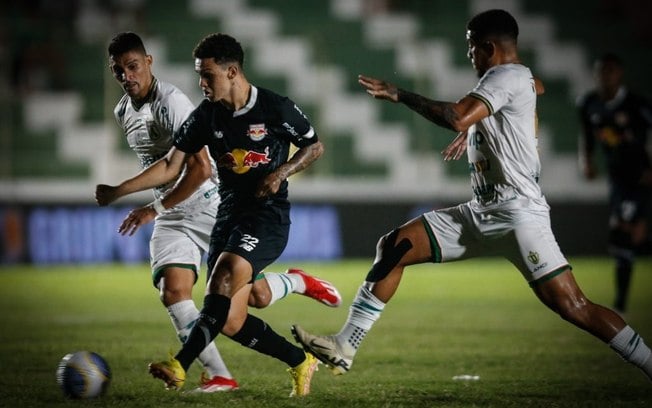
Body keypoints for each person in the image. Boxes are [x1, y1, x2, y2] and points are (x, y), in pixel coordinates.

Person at [292, 9, 652, 382]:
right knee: (395, 245)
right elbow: (534, 87)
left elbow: (456, 116)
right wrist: (484, 119)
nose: (469, 55)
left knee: (575, 307)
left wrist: (401, 95)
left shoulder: (505, 76)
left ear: (489, 48)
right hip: (482, 212)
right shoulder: (518, 77)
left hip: (518, 215)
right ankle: (345, 346)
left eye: (471, 47)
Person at [95, 32, 339, 394]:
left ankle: (182, 364)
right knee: (231, 319)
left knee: (223, 279)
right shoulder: (205, 116)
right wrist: (128, 194)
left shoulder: (274, 107)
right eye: (199, 75)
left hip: (265, 215)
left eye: (207, 76)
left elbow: (314, 146)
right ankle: (301, 361)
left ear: (232, 72)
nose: (201, 84)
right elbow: (172, 163)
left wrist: (281, 172)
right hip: (228, 214)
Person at [577, 53, 652, 314]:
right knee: (629, 238)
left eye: (610, 71)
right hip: (617, 179)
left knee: (622, 235)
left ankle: (620, 303)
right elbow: (587, 136)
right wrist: (586, 161)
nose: (604, 77)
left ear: (619, 74)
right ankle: (622, 301)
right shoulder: (588, 103)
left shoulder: (636, 104)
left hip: (641, 177)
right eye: (600, 72)